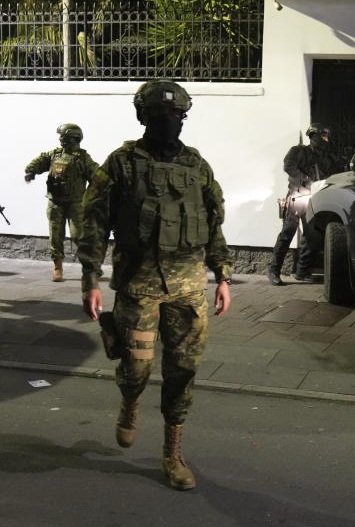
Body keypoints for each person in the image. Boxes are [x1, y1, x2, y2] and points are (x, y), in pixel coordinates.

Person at [78, 79, 232, 491]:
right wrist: (90, 279)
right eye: (160, 116)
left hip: (188, 288)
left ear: (184, 118)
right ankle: (130, 401)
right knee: (137, 368)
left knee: (182, 370)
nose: (169, 123)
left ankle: (173, 454)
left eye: (176, 116)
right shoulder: (121, 164)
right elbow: (93, 223)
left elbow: (213, 223)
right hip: (138, 285)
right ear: (143, 117)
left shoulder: (197, 166)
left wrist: (224, 275)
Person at [266, 125, 343, 285]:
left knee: (313, 235)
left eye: (325, 137)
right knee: (288, 232)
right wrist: (305, 178)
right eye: (322, 137)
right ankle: (273, 270)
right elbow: (288, 165)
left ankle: (302, 271)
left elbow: (334, 173)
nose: (324, 141)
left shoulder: (327, 157)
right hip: (297, 196)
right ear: (313, 136)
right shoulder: (299, 151)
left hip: (313, 199)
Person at [24, 124, 99, 281]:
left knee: (79, 236)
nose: (60, 139)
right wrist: (31, 170)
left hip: (76, 204)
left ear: (71, 138)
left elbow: (96, 175)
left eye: (62, 136)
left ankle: (91, 266)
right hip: (55, 203)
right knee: (55, 236)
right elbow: (41, 160)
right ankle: (57, 268)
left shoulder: (83, 158)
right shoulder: (55, 155)